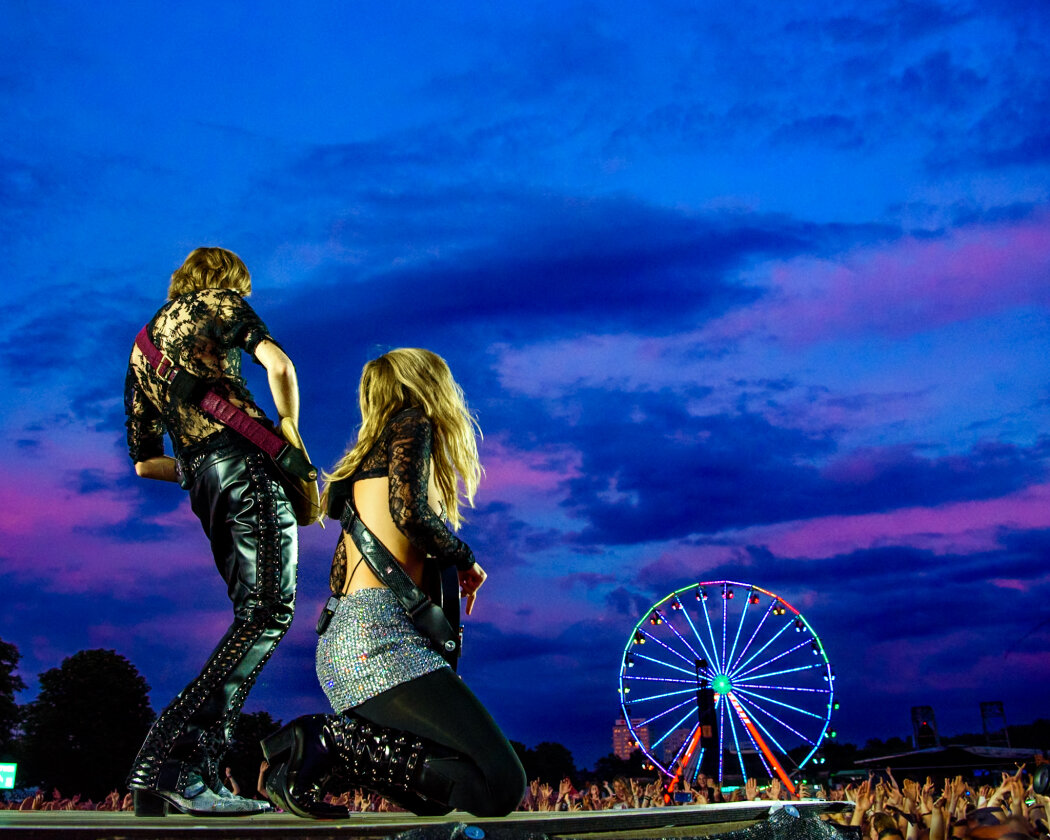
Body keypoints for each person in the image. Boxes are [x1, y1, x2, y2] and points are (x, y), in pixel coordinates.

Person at [262, 348, 525, 819]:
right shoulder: (413, 423)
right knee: (502, 783)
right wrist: (466, 559)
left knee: (469, 792)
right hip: (379, 640)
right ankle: (326, 742)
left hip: (347, 642)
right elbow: (410, 513)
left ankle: (337, 752)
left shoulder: (367, 461)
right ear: (428, 386)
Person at [123, 247, 305, 816]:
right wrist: (289, 429)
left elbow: (144, 462)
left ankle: (174, 771)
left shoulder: (143, 347)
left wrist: (201, 468)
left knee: (253, 614)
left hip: (204, 481)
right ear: (227, 282)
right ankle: (178, 765)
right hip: (247, 465)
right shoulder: (220, 304)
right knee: (268, 613)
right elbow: (278, 364)